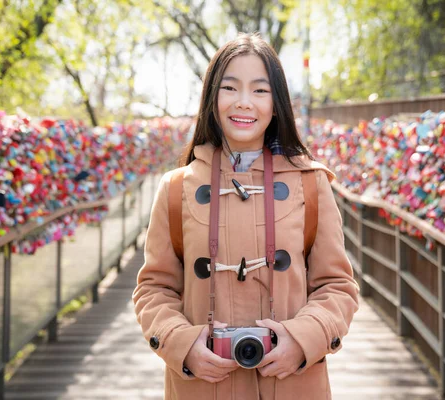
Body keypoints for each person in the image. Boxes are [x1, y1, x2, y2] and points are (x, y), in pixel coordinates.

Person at [132, 32, 359, 400]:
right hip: (202, 386)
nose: (243, 103)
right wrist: (182, 344)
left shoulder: (311, 183)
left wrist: (303, 340)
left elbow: (338, 287)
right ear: (212, 98)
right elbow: (154, 288)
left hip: (292, 384)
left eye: (259, 90)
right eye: (230, 88)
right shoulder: (176, 187)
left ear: (276, 104)